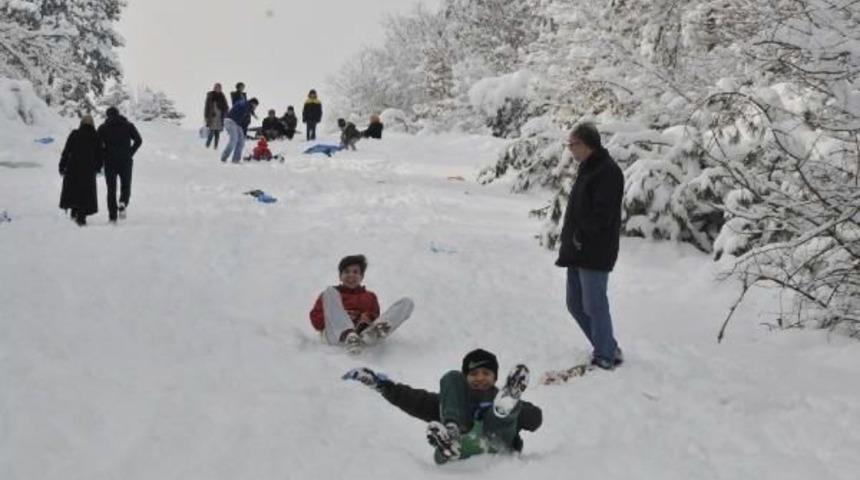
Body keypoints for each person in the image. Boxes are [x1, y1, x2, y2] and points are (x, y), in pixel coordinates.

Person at [342, 349, 542, 464]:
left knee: (502, 414)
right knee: (451, 378)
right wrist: (383, 385)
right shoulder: (453, 401)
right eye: (473, 374)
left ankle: (503, 410)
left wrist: (518, 410)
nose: (480, 377)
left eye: (486, 373)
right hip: (460, 444)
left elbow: (535, 420)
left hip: (497, 445)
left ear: (495, 377)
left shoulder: (502, 399)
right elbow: (415, 400)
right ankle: (452, 433)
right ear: (466, 378)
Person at [556, 122, 625, 370]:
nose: (570, 149)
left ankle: (605, 354)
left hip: (594, 250)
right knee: (575, 304)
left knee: (595, 304)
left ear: (586, 144)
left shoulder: (607, 171)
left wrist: (581, 235)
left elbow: (603, 214)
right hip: (577, 249)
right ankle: (608, 346)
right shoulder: (588, 168)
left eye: (572, 144)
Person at [309, 255, 414, 353]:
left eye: (355, 272)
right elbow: (316, 321)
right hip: (336, 335)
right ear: (340, 276)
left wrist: (368, 318)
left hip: (362, 334)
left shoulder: (370, 296)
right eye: (346, 271)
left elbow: (375, 316)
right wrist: (338, 317)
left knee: (407, 302)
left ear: (361, 277)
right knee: (329, 291)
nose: (351, 275)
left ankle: (370, 335)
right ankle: (349, 335)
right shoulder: (331, 296)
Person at [98, 107, 142, 223]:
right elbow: (139, 140)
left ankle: (112, 217)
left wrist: (103, 155)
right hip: (125, 161)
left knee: (111, 189)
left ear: (107, 115)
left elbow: (97, 145)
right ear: (118, 114)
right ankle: (123, 202)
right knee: (126, 185)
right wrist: (130, 152)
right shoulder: (128, 125)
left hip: (110, 162)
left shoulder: (103, 128)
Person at [59, 115, 101, 226]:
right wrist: (97, 167)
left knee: (74, 189)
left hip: (73, 167)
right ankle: (81, 217)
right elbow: (99, 154)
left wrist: (62, 165)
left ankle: (74, 212)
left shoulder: (74, 134)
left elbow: (66, 151)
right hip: (88, 169)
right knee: (85, 192)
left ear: (81, 123)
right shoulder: (95, 136)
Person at [221, 98, 259, 163]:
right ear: (253, 103)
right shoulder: (245, 105)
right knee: (234, 139)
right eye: (255, 106)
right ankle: (224, 157)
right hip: (230, 121)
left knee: (241, 141)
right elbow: (244, 107)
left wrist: (253, 114)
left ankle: (236, 159)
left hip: (237, 124)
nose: (255, 108)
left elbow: (248, 110)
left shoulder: (247, 106)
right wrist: (251, 112)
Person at [204, 83, 229, 149]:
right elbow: (207, 107)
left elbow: (226, 106)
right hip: (212, 116)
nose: (217, 89)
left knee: (217, 133)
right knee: (211, 132)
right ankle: (207, 146)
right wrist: (206, 116)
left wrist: (225, 114)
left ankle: (215, 147)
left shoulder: (222, 96)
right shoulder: (210, 95)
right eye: (216, 87)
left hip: (220, 116)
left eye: (219, 88)